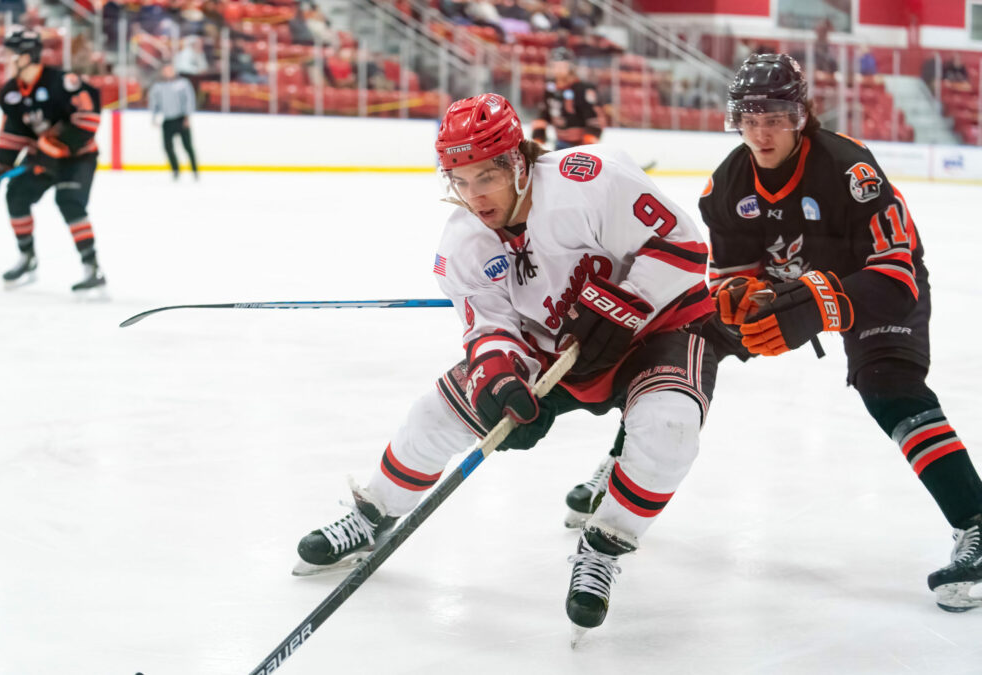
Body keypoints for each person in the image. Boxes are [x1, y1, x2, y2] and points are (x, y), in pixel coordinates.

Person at [293, 93, 717, 636]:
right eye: (459, 181)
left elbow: (683, 246)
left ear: (517, 162)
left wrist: (624, 305)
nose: (473, 197)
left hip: (658, 328)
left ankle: (605, 545)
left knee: (669, 428)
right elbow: (489, 329)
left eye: (485, 178)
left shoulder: (589, 180)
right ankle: (373, 514)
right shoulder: (462, 244)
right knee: (434, 416)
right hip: (553, 344)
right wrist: (500, 380)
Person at [700, 53, 981, 611]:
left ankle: (975, 520)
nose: (761, 132)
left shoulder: (850, 170)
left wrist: (819, 307)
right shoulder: (726, 184)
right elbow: (733, 277)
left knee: (888, 387)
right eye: (750, 119)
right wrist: (735, 300)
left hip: (872, 287)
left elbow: (896, 272)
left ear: (800, 116)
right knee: (688, 343)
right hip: (794, 290)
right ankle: (621, 464)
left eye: (775, 118)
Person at [0, 28, 106, 292]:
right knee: (16, 195)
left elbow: (88, 119)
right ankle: (27, 257)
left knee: (69, 201)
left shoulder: (62, 82)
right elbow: (12, 137)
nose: (6, 59)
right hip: (41, 159)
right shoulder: (11, 93)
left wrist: (55, 144)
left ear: (26, 56)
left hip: (77, 157)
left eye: (11, 53)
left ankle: (92, 267)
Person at [531, 47, 605, 150]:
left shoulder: (583, 89)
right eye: (555, 65)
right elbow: (542, 116)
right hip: (561, 143)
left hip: (581, 145)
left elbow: (594, 119)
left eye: (562, 65)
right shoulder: (550, 89)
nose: (558, 69)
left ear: (570, 66)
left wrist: (588, 143)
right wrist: (538, 140)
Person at [149, 63, 199, 180]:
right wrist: (154, 117)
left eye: (170, 70)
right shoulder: (158, 86)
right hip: (167, 120)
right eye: (166, 70)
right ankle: (175, 170)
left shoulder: (183, 84)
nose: (168, 72)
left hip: (181, 118)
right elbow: (154, 102)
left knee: (187, 146)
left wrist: (187, 117)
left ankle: (194, 170)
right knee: (168, 147)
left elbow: (189, 100)